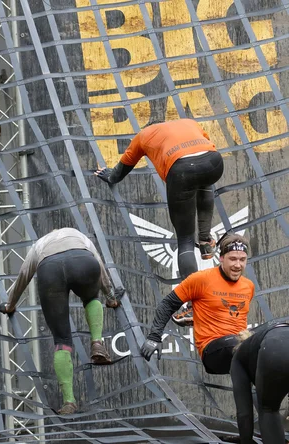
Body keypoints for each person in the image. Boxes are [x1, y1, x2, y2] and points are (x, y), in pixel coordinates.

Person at [95, 119, 225, 326]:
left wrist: (109, 176)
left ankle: (195, 304)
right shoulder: (187, 122)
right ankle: (206, 241)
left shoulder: (144, 135)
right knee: (204, 180)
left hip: (181, 169)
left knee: (184, 240)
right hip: (214, 162)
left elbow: (122, 168)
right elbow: (203, 148)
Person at [0, 228, 123, 415]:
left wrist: (10, 304)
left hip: (50, 269)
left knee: (62, 341)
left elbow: (24, 275)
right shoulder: (79, 236)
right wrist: (111, 297)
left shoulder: (40, 244)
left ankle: (69, 402)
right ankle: (97, 343)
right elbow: (99, 266)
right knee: (91, 298)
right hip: (83, 261)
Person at [140, 234, 254, 375]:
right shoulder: (200, 279)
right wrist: (154, 337)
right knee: (244, 344)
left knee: (274, 334)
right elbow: (167, 304)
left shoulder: (248, 286)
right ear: (221, 258)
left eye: (242, 260)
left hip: (241, 345)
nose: (238, 265)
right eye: (233, 259)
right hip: (212, 351)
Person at [231, 322, 289, 444]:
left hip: (275, 350)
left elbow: (244, 413)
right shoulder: (268, 335)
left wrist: (246, 441)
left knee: (268, 409)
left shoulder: (238, 357)